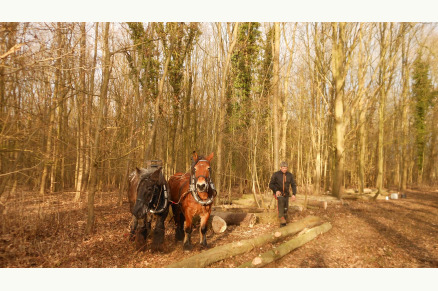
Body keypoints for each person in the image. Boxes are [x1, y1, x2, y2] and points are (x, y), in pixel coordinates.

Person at [269, 161, 297, 227]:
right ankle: (281, 219)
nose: (284, 169)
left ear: (287, 168)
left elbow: (293, 185)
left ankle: (284, 225)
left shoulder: (290, 175)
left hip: (286, 194)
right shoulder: (276, 174)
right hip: (278, 193)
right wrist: (276, 190)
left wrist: (293, 194)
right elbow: (271, 184)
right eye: (283, 168)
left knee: (285, 208)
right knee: (281, 202)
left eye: (286, 168)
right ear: (280, 168)